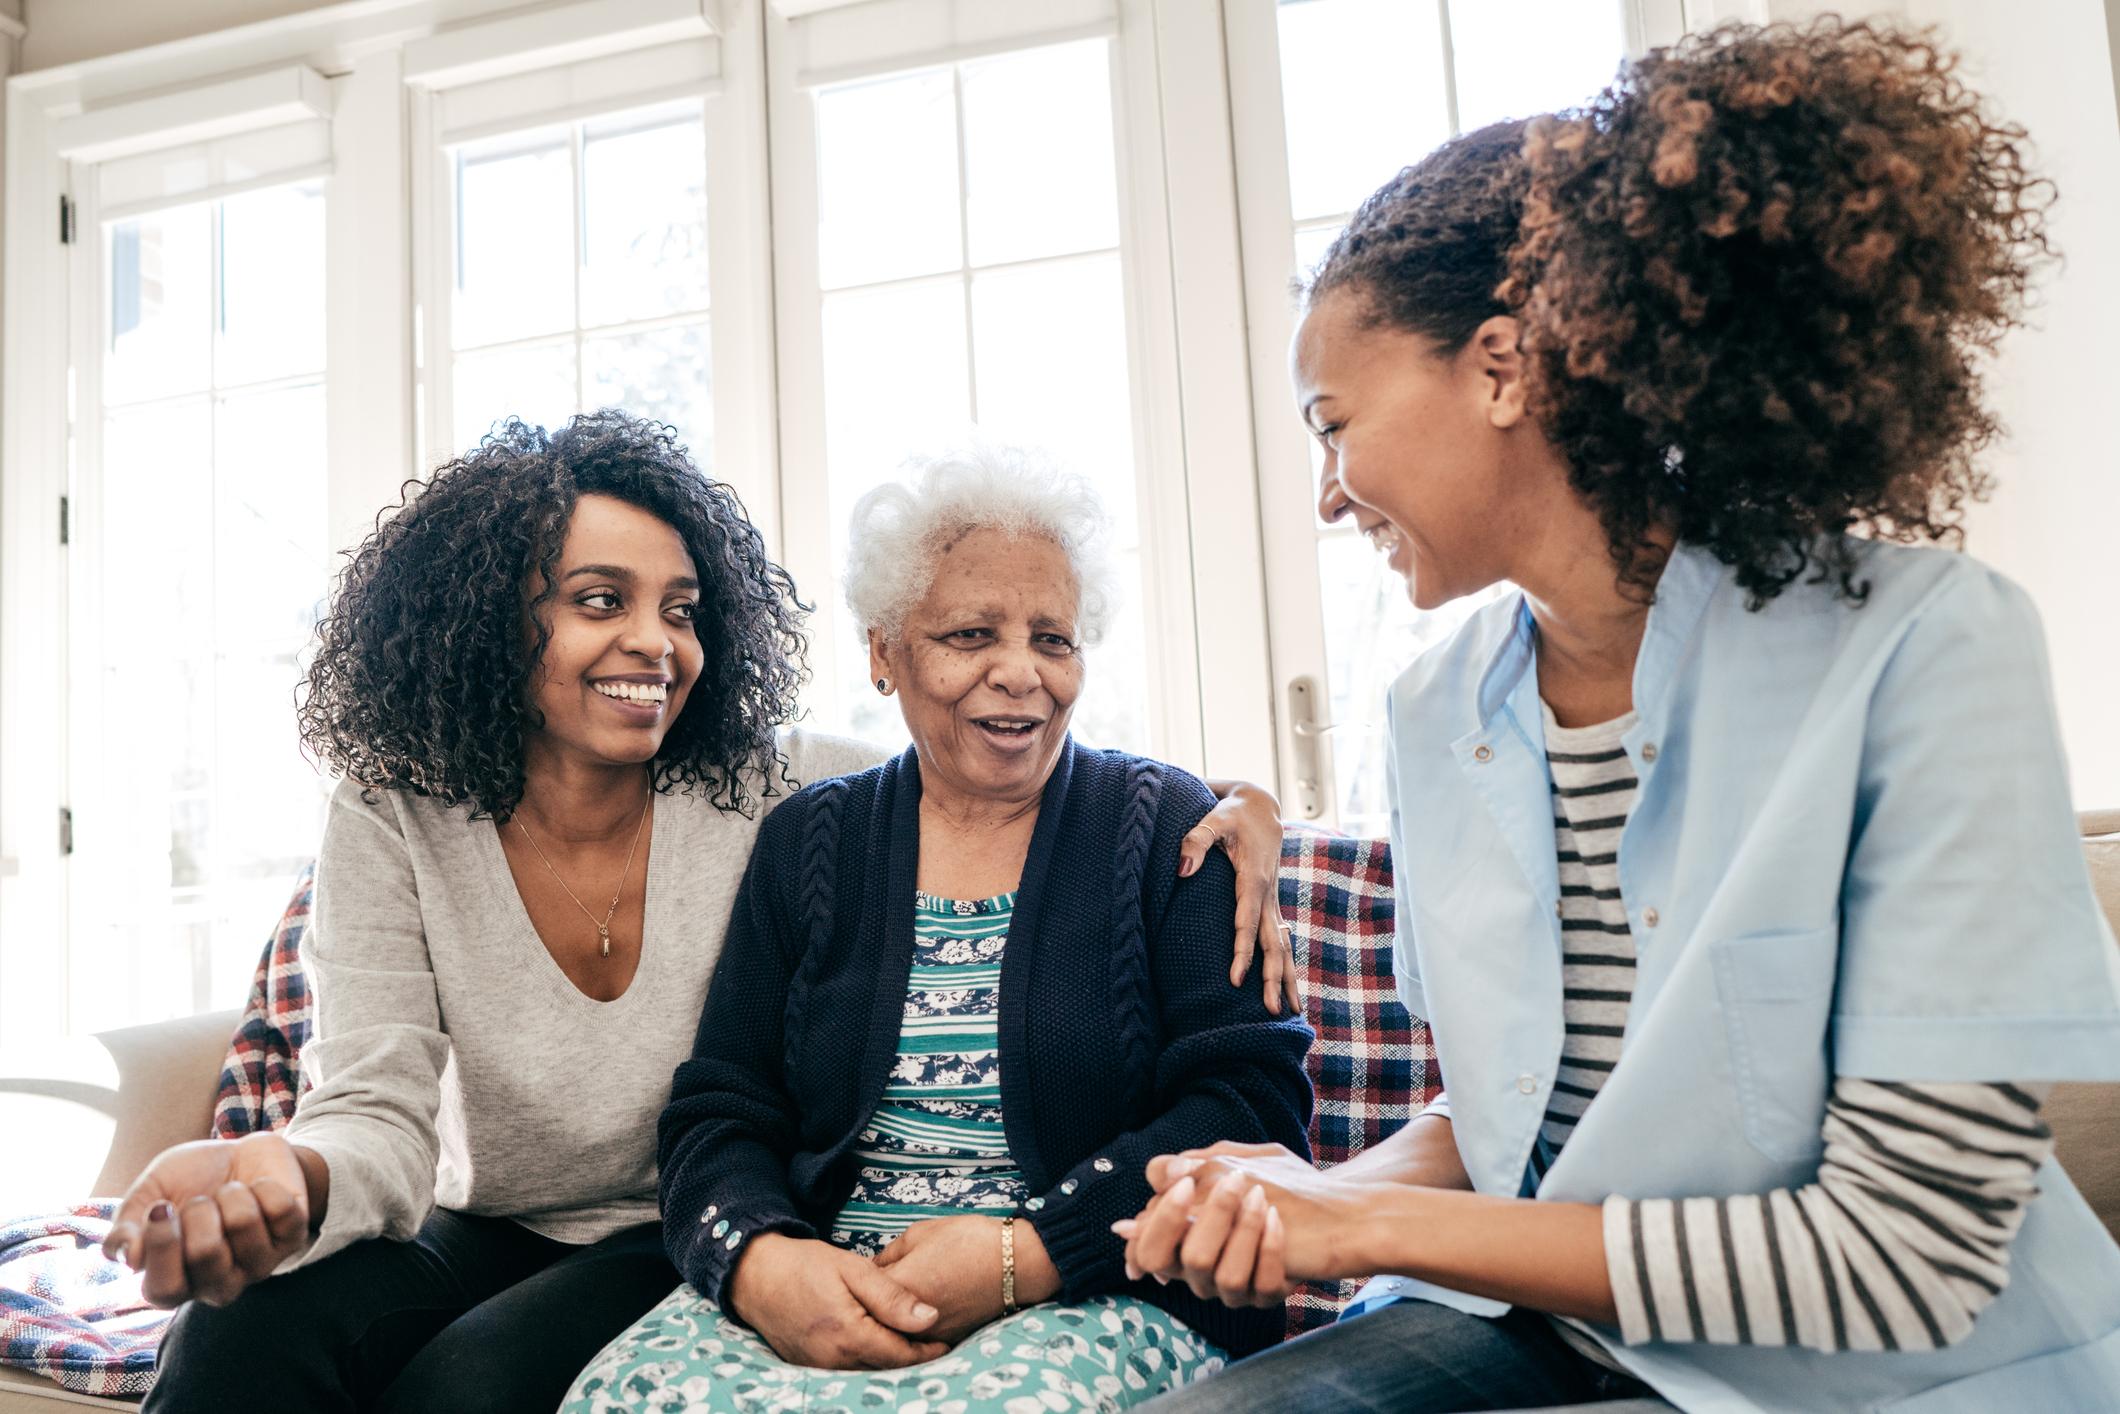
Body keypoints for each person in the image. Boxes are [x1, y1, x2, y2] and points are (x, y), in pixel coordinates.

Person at [1121, 19, 2120, 1414]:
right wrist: (1310, 1192)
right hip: (1564, 1325)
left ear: (1498, 366)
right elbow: (1508, 1111)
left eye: (1332, 422)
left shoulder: (1924, 644)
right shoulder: (1431, 707)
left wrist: (1369, 1223)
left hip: (1879, 1368)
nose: (1328, 491)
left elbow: (1908, 1255)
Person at [101, 413, 1294, 1413]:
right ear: (485, 621)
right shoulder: (403, 814)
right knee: (233, 1343)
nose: (652, 642)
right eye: (598, 599)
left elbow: (1002, 766)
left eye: (679, 607)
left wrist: (1240, 804)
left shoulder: (772, 787)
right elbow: (378, 1109)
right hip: (498, 1213)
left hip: (663, 1231)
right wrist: (287, 1171)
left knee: (464, 1392)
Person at [563, 440, 1315, 1411]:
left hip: (1093, 1290)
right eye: (970, 635)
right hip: (836, 1287)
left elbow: (1249, 1107)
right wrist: (761, 1261)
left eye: (1053, 637)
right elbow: (721, 1109)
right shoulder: (810, 840)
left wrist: (1028, 1253)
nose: (1020, 673)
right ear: (884, 653)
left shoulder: (1166, 826)